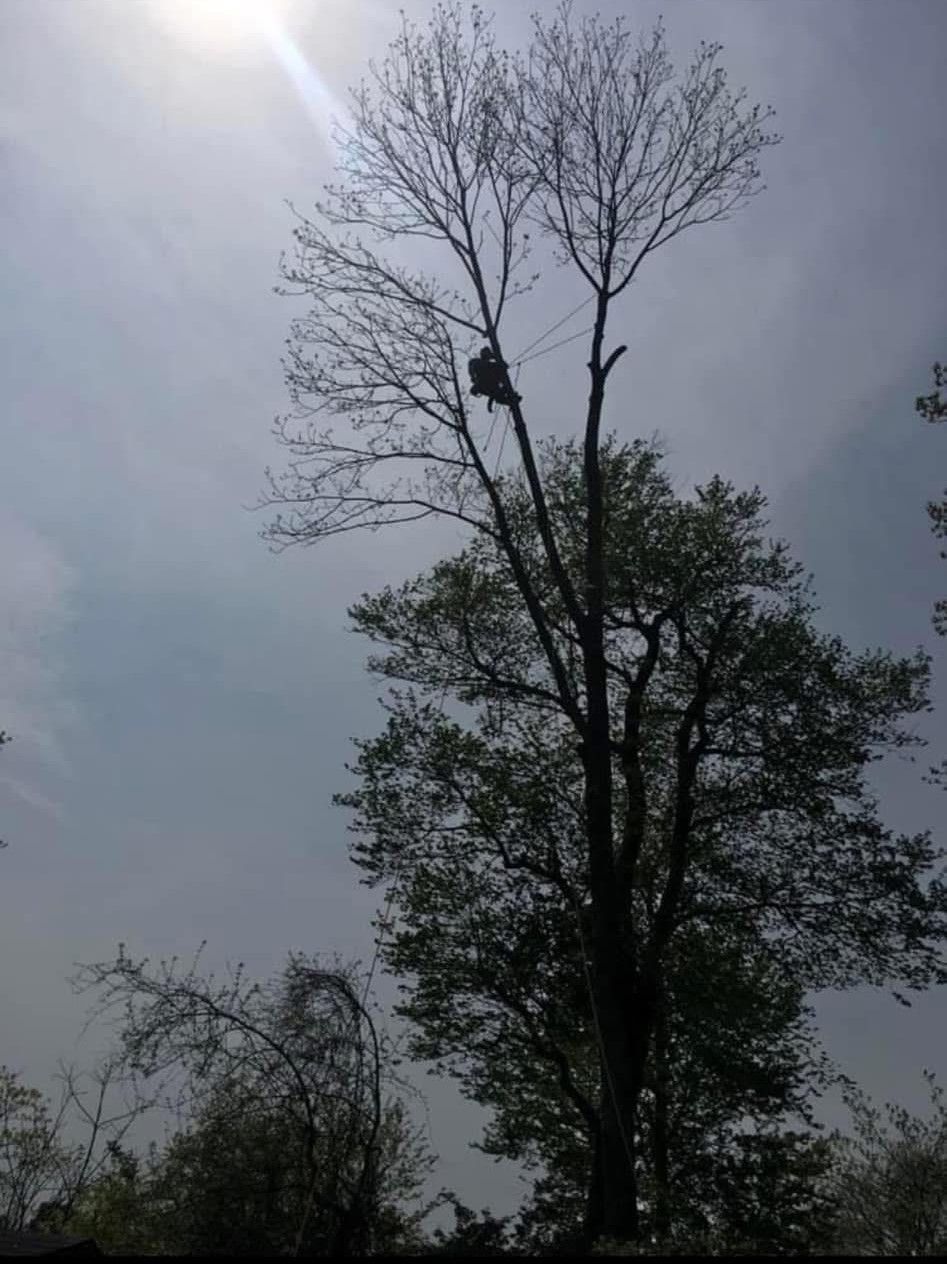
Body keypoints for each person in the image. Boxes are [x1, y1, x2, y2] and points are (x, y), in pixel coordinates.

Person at [468, 346, 522, 412]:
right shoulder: (477, 362)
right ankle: (511, 401)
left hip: (493, 383)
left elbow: (504, 366)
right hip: (490, 384)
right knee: (498, 398)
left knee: (498, 397)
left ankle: (512, 400)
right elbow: (471, 365)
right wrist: (473, 377)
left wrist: (493, 356)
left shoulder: (491, 365)